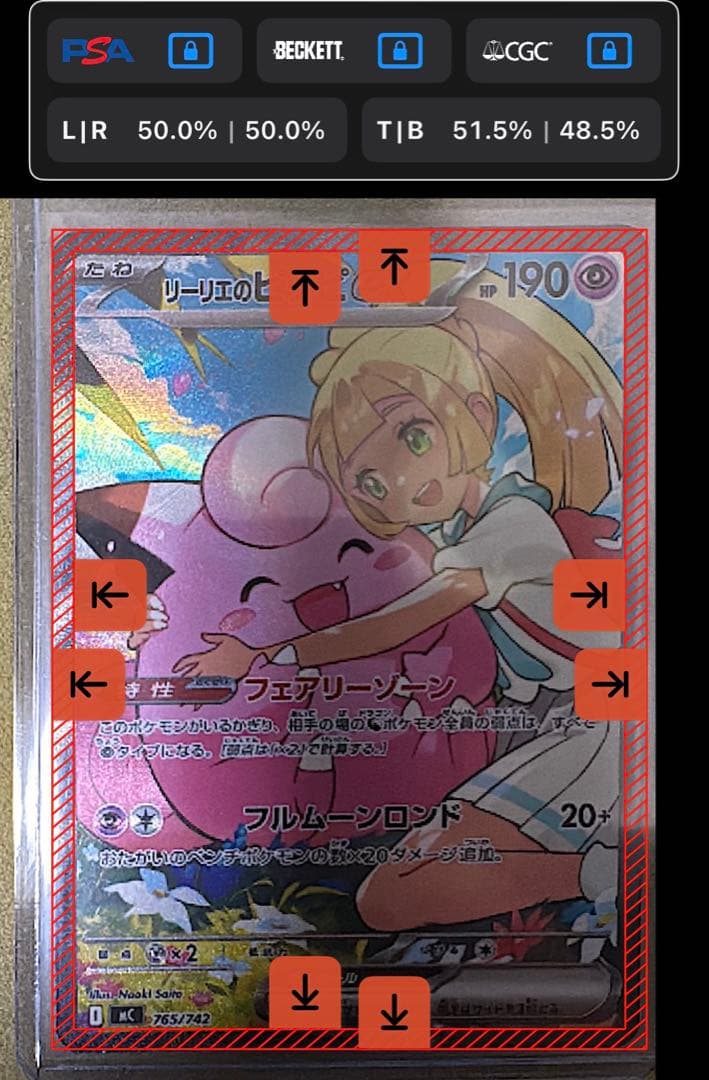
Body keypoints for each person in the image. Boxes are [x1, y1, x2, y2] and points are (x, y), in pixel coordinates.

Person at [173, 260, 624, 927]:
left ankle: (606, 873)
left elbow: (403, 621)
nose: (404, 483)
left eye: (414, 435)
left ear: (476, 414)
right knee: (389, 894)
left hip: (599, 727)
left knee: (394, 896)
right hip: (543, 723)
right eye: (373, 484)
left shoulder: (511, 525)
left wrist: (270, 656)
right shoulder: (450, 533)